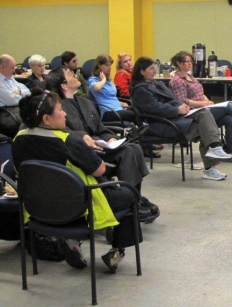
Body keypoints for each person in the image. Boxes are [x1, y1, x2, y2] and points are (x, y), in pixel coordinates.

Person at [12, 87, 141, 273]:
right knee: (130, 194)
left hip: (39, 209)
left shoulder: (18, 140)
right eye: (60, 109)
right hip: (80, 208)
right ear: (46, 119)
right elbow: (100, 170)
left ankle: (72, 241)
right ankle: (117, 251)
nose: (65, 113)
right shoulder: (69, 141)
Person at [46, 66, 159, 222]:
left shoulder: (86, 102)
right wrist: (83, 136)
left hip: (101, 145)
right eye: (71, 74)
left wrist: (110, 138)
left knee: (134, 147)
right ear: (64, 85)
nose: (76, 75)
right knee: (127, 152)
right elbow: (61, 131)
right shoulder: (58, 109)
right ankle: (130, 202)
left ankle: (134, 197)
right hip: (82, 150)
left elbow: (100, 128)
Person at [131, 56, 232, 181]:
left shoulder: (155, 84)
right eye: (151, 69)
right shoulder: (140, 90)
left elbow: (172, 99)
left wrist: (181, 106)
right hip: (160, 125)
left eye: (154, 68)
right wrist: (177, 110)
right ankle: (213, 154)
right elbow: (155, 108)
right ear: (142, 71)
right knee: (204, 120)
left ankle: (213, 153)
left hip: (172, 119)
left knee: (205, 121)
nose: (154, 71)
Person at [169, 51, 232, 164]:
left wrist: (206, 100)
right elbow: (183, 101)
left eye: (191, 61)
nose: (190, 64)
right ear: (179, 63)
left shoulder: (190, 76)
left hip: (202, 108)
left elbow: (199, 92)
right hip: (193, 114)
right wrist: (203, 104)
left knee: (230, 119)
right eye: (186, 62)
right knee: (228, 107)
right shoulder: (177, 81)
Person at [88, 54, 137, 124]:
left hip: (118, 108)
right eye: (107, 65)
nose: (110, 67)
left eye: (110, 65)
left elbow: (110, 97)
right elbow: (96, 88)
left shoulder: (109, 81)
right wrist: (103, 79)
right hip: (108, 113)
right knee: (132, 114)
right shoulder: (93, 79)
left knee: (138, 108)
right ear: (99, 65)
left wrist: (120, 103)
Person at [0, 54, 30, 137]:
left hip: (17, 108)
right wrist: (21, 94)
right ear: (3, 67)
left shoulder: (10, 78)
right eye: (12, 68)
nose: (14, 71)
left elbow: (27, 91)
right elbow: (12, 100)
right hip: (5, 113)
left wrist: (19, 92)